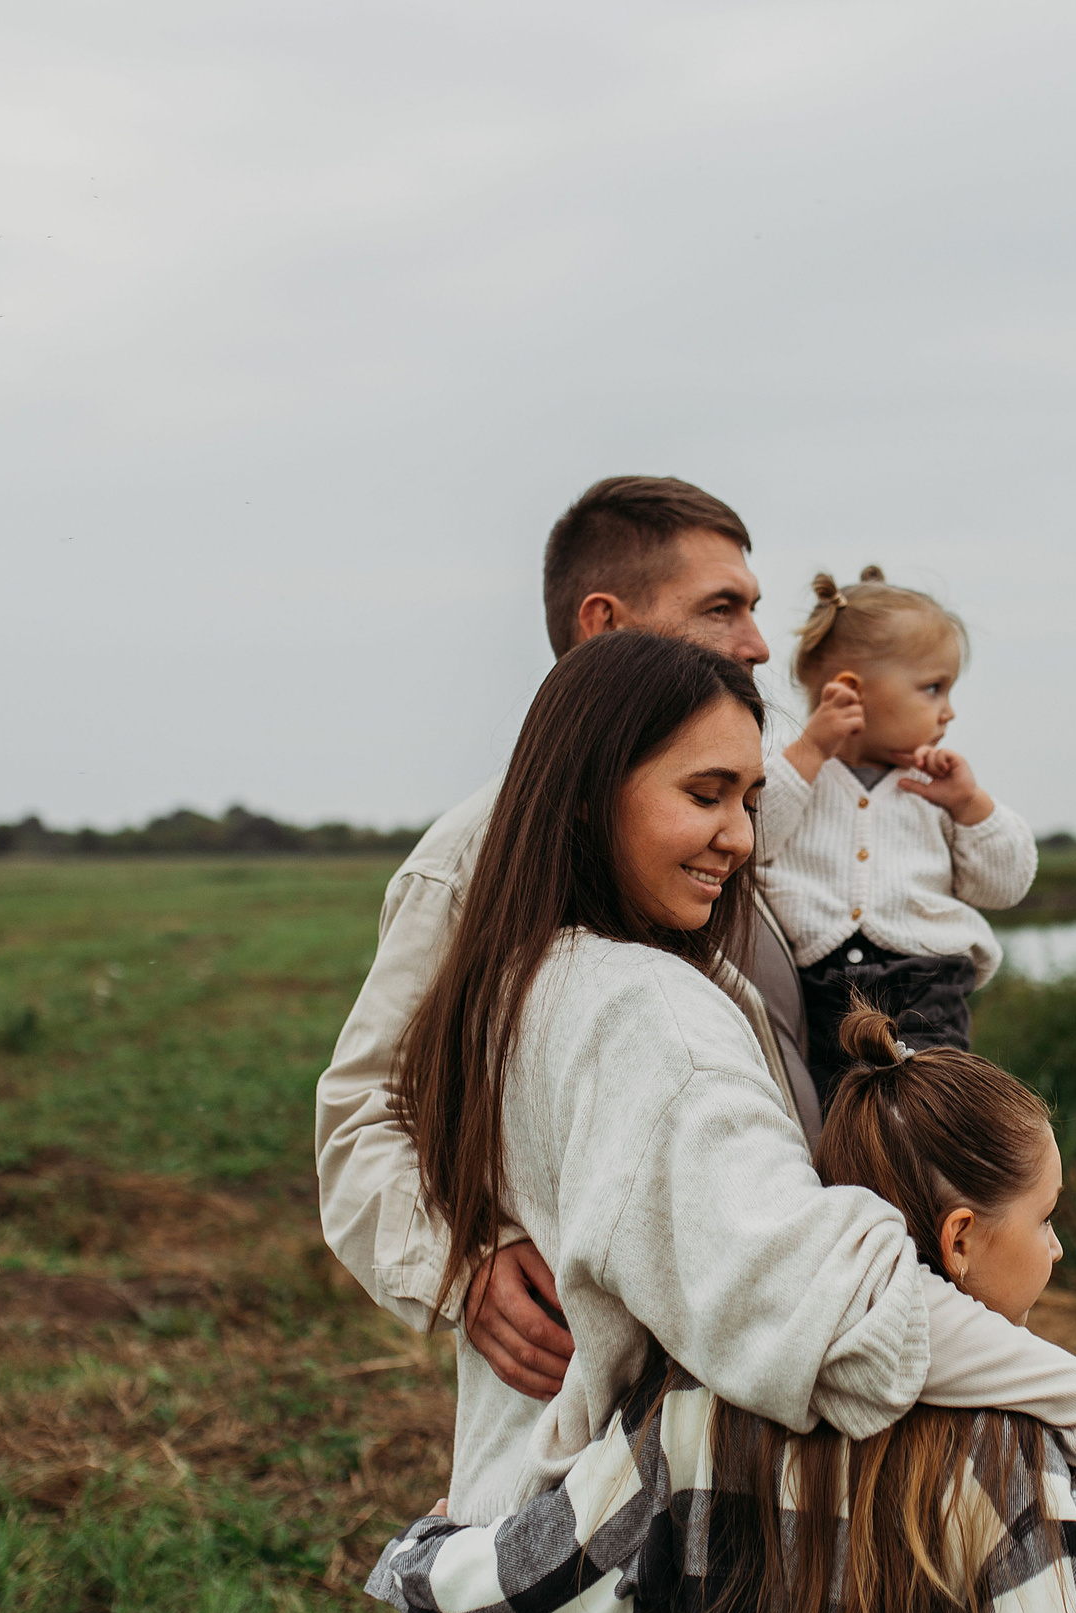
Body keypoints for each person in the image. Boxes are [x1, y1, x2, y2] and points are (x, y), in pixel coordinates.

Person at [345, 628, 1076, 1613]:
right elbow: (820, 1305)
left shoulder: (509, 981)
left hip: (516, 1535)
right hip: (618, 1592)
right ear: (584, 798)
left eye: (752, 798)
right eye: (704, 794)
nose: (739, 837)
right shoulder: (647, 1014)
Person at [367, 1006, 1076, 1613]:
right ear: (960, 1237)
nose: (1058, 1247)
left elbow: (549, 1578)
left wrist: (420, 1556)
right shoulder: (1012, 1453)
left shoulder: (697, 1406)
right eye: (1046, 1217)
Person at [317, 477, 821, 1405]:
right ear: (605, 624)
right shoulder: (472, 860)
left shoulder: (750, 814)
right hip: (602, 1405)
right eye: (723, 607)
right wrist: (461, 1264)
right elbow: (365, 1114)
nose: (757, 642)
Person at [758, 565, 1037, 1104]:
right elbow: (753, 839)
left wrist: (970, 806)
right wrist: (811, 752)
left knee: (931, 1113)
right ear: (850, 690)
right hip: (821, 989)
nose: (948, 711)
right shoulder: (793, 770)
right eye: (933, 688)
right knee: (839, 1114)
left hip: (927, 980)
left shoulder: (937, 787)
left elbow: (1004, 886)